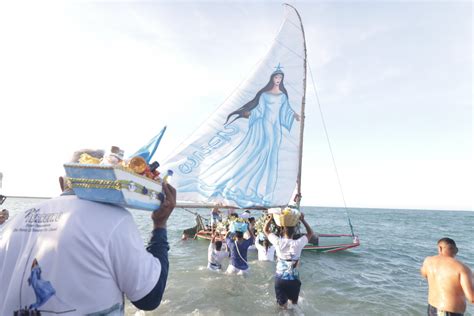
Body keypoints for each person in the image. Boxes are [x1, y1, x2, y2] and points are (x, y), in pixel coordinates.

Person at [0, 149, 177, 315]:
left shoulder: (12, 223)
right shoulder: (115, 220)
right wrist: (159, 224)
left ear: (62, 183)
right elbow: (149, 297)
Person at [177, 65, 300, 207]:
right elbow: (259, 109)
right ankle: (260, 192)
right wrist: (250, 114)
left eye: (280, 78)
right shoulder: (265, 95)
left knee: (273, 158)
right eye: (276, 77)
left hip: (276, 126)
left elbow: (286, 109)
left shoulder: (283, 96)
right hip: (266, 123)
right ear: (272, 78)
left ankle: (269, 194)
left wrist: (295, 115)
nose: (278, 79)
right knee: (264, 153)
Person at [264, 213, 313, 309]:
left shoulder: (278, 242)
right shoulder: (298, 243)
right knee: (294, 306)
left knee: (282, 308)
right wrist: (303, 220)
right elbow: (310, 233)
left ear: (282, 230)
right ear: (294, 231)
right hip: (294, 280)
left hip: (280, 279)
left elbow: (265, 230)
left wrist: (270, 219)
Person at [420, 237, 473, 316]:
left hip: (432, 308)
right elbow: (471, 298)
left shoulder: (428, 261)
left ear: (439, 248)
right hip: (449, 312)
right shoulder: (462, 268)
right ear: (455, 250)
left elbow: (424, 274)